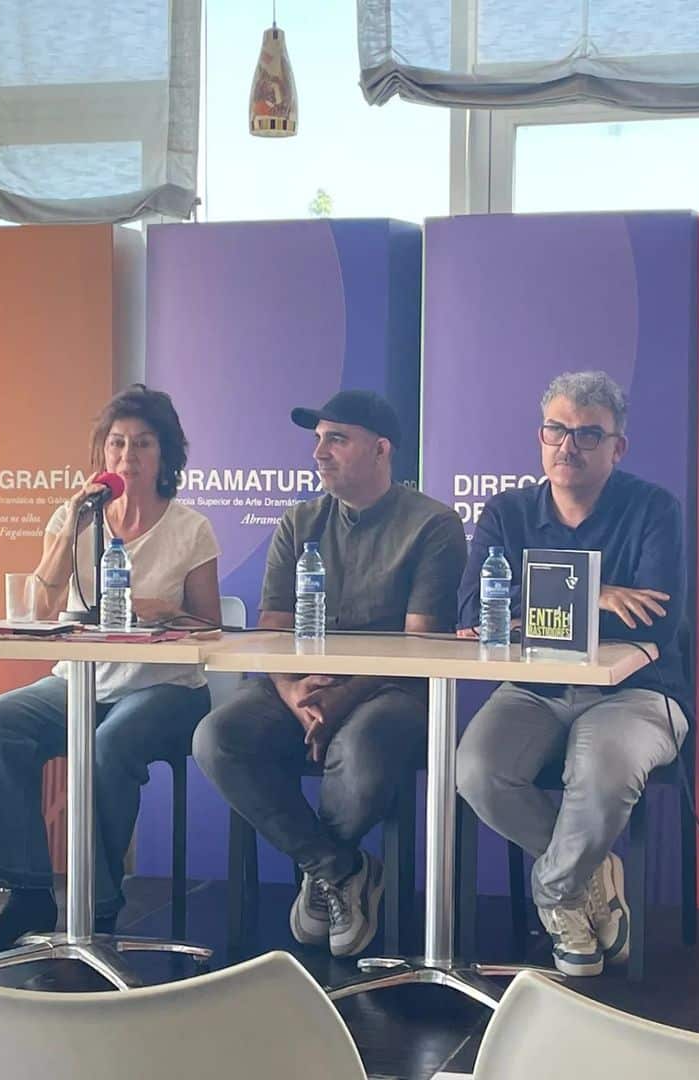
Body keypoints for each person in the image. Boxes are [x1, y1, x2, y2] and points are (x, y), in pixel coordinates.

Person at [193, 390, 467, 957]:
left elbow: (420, 644)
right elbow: (273, 629)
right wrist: (296, 694)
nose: (320, 452)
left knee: (364, 747)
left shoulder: (433, 524)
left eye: (336, 439)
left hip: (389, 691)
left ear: (381, 450)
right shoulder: (299, 521)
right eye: (317, 440)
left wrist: (340, 700)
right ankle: (339, 870)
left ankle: (325, 878)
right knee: (217, 737)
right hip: (299, 684)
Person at [0, 385, 221, 951]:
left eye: (143, 444)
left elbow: (211, 623)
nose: (128, 456)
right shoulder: (74, 517)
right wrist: (73, 527)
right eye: (118, 443)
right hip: (78, 680)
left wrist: (166, 610)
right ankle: (27, 891)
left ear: (165, 456)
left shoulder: (189, 527)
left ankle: (96, 906)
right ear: (103, 453)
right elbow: (39, 609)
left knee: (108, 745)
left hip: (166, 688)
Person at [455, 370, 690, 977]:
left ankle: (560, 895)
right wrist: (601, 595)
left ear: (618, 447)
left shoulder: (653, 508)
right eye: (556, 430)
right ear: (541, 437)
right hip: (534, 688)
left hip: (637, 693)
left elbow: (653, 626)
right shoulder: (506, 513)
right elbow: (474, 615)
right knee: (478, 770)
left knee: (602, 770)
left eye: (588, 434)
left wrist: (546, 602)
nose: (569, 446)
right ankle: (594, 877)